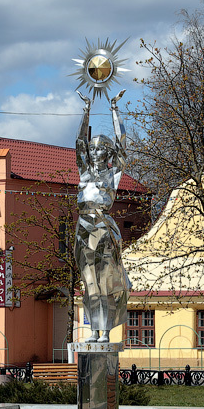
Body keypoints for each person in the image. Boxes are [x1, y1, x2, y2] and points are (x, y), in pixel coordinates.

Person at [75, 89, 130, 342]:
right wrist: (86, 110)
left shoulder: (112, 175)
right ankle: (94, 331)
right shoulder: (84, 173)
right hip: (83, 227)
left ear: (108, 153)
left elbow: (123, 144)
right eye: (93, 149)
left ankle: (105, 332)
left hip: (102, 227)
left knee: (104, 283)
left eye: (100, 149)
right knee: (88, 284)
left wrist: (114, 110)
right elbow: (78, 142)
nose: (95, 152)